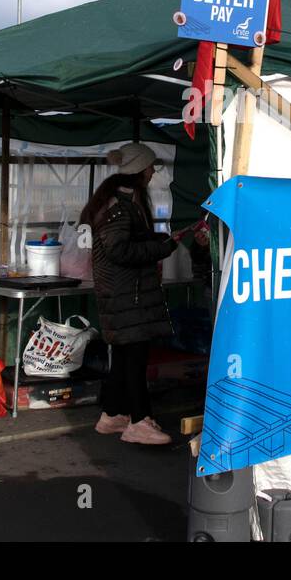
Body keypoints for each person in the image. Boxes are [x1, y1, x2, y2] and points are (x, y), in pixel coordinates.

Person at [82, 142, 178, 445]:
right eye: (150, 166)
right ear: (139, 169)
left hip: (122, 294)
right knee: (135, 358)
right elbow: (119, 249)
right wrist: (161, 248)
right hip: (128, 295)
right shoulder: (120, 205)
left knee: (124, 357)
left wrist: (156, 238)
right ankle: (139, 421)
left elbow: (124, 241)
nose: (152, 172)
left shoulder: (117, 200)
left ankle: (112, 415)